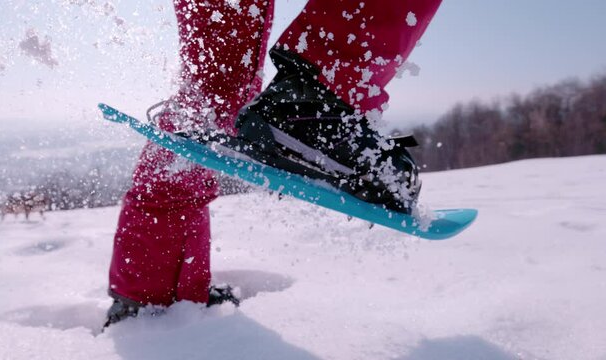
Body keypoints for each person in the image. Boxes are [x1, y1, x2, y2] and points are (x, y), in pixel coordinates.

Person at [104, 0, 442, 327]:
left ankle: (149, 290)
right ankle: (315, 103)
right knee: (218, 83)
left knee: (213, 92)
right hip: (321, 99)